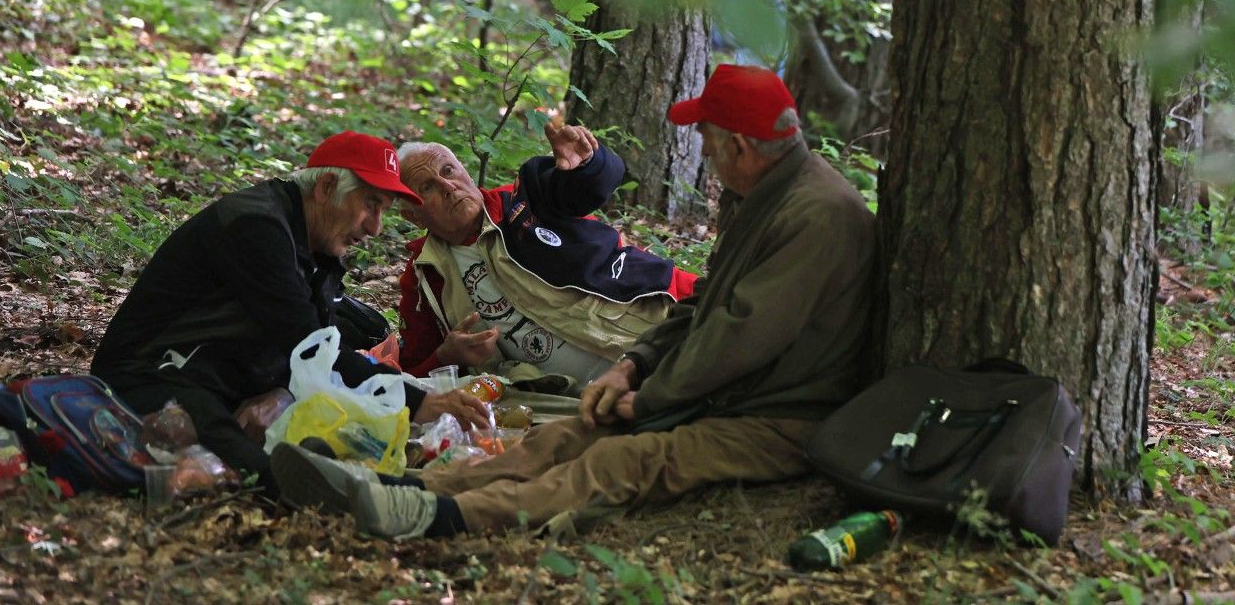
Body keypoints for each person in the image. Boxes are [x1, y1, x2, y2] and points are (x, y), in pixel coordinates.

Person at [272, 65, 878, 540]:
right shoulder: (770, 195)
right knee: (563, 438)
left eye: (710, 143)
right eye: (428, 187)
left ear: (742, 149)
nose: (708, 158)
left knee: (622, 462)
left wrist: (649, 397)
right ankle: (403, 486)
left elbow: (741, 334)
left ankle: (435, 519)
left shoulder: (816, 214)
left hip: (777, 414)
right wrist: (634, 367)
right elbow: (711, 311)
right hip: (723, 392)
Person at [91, 132, 491, 496]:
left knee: (335, 430)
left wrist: (283, 393)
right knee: (260, 470)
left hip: (218, 373)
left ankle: (401, 483)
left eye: (384, 210)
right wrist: (415, 400)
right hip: (148, 375)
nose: (374, 227)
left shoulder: (314, 243)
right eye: (370, 204)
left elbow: (316, 347)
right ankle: (401, 494)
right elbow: (310, 344)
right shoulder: (256, 227)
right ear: (327, 187)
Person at [394, 124, 698, 383]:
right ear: (414, 217)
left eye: (449, 170)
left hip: (656, 317)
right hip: (576, 399)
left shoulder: (524, 197)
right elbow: (413, 375)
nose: (448, 186)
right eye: (427, 187)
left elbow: (585, 187)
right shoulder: (424, 278)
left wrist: (589, 163)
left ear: (467, 172)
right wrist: (447, 356)